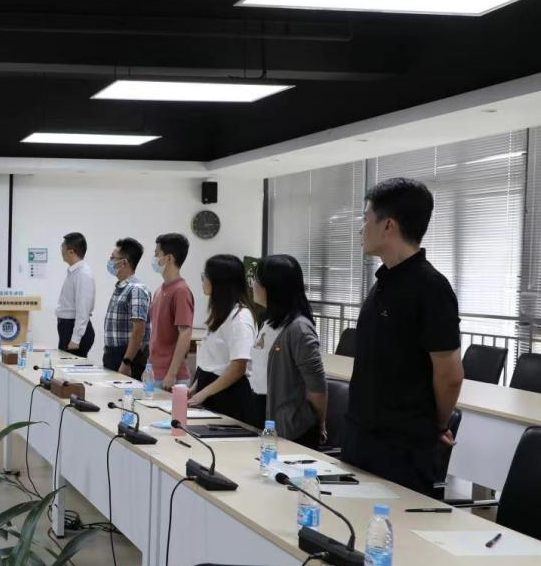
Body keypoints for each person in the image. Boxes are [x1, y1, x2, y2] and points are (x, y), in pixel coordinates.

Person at [344, 177, 462, 495]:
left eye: (366, 219)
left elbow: (450, 374)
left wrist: (437, 425)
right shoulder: (383, 282)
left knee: (392, 523)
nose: (361, 229)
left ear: (388, 225)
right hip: (360, 434)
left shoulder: (431, 288)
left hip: (400, 446)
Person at [250, 254, 328, 446]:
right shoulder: (268, 320)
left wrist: (320, 423)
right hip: (261, 411)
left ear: (273, 287)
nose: (253, 285)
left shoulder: (298, 328)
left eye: (257, 280)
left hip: (289, 426)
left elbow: (316, 386)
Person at [187, 255, 255, 422]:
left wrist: (204, 392)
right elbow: (211, 362)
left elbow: (238, 367)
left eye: (205, 276)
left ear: (219, 282)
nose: (203, 280)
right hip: (210, 388)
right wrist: (196, 387)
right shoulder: (221, 313)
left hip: (228, 394)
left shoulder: (240, 318)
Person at [148, 233, 195, 390]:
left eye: (157, 254)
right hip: (155, 372)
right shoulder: (159, 290)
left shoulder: (181, 291)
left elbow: (185, 333)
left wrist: (172, 374)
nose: (154, 258)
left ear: (168, 258)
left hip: (171, 377)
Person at [102, 237, 151, 377]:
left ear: (124, 262)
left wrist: (126, 362)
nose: (110, 261)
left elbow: (138, 330)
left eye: (113, 258)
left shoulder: (136, 289)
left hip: (127, 358)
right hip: (112, 354)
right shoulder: (121, 287)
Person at [55, 232, 96, 357]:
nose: (61, 250)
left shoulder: (82, 274)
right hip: (68, 327)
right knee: (63, 366)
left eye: (62, 246)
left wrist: (76, 339)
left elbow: (83, 309)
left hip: (74, 329)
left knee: (70, 368)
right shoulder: (74, 272)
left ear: (71, 252)